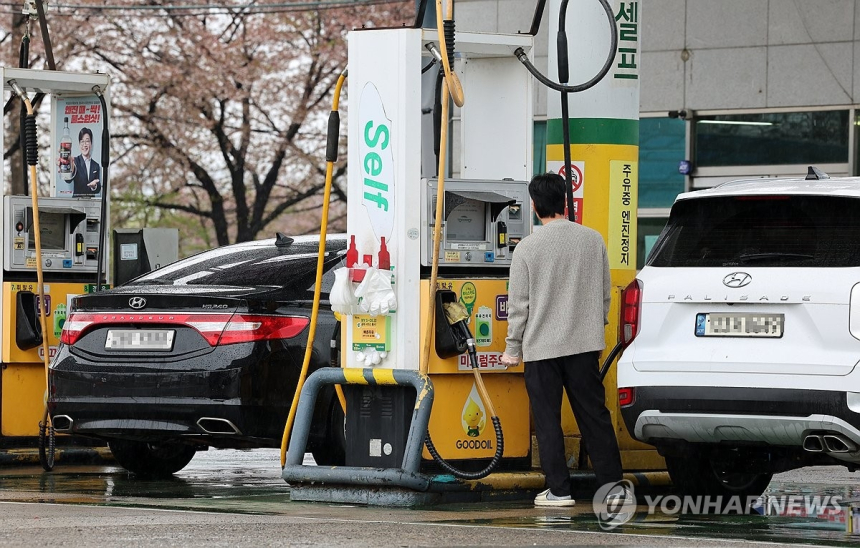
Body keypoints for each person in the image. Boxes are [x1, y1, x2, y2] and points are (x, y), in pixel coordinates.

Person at [500, 172, 623, 507]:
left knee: (547, 419)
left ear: (535, 205)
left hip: (541, 348)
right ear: (564, 201)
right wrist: (595, 327)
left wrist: (513, 349)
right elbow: (604, 295)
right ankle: (613, 488)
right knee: (594, 416)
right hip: (584, 346)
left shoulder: (527, 247)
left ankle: (559, 491)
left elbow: (519, 305)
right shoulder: (592, 239)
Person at [70, 127, 100, 196]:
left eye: (87, 141)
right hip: (77, 203)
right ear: (79, 144)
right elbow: (68, 180)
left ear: (91, 144)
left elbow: (98, 187)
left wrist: (94, 186)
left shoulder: (96, 165)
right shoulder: (75, 161)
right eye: (82, 141)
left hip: (91, 204)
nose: (84, 144)